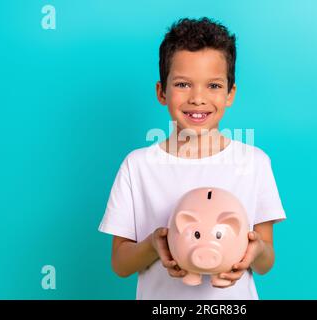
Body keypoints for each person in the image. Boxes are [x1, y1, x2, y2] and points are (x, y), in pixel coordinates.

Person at [98, 17, 286, 299]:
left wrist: (255, 250)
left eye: (213, 86)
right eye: (183, 84)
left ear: (230, 93)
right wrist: (153, 246)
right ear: (162, 92)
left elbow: (266, 261)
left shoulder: (254, 163)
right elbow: (120, 264)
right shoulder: (138, 166)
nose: (198, 98)